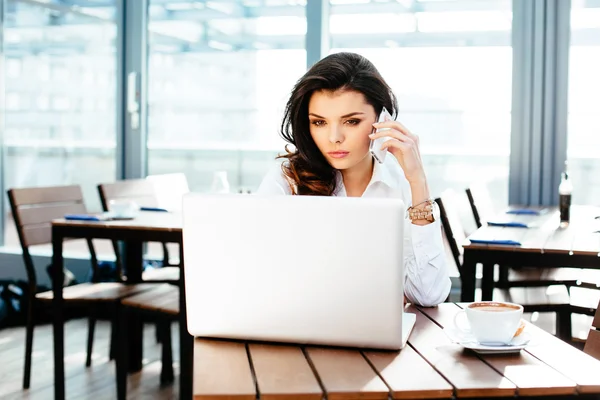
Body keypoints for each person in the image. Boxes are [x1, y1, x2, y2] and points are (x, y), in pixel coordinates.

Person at [257, 52, 451, 307]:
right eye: (319, 122)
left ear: (382, 119)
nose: (334, 137)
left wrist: (418, 180)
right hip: (297, 328)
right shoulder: (286, 179)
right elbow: (261, 278)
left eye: (351, 121)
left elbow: (428, 294)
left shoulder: (400, 184)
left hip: (376, 338)